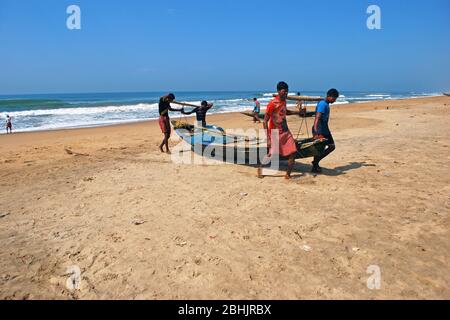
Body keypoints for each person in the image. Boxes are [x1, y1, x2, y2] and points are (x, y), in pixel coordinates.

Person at [258, 81, 303, 180]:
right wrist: (268, 138)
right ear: (278, 91)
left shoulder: (284, 101)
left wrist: (297, 112)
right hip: (275, 133)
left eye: (287, 92)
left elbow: (285, 112)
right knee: (271, 154)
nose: (286, 93)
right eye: (284, 91)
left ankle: (288, 175)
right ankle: (260, 168)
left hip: (286, 132)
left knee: (293, 152)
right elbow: (265, 121)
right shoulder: (272, 104)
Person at [311, 88, 340, 173]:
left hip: (325, 129)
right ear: (329, 96)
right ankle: (315, 165)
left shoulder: (326, 104)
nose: (334, 101)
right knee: (319, 149)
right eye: (334, 99)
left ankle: (315, 163)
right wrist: (316, 132)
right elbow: (317, 118)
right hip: (320, 130)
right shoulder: (323, 104)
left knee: (331, 146)